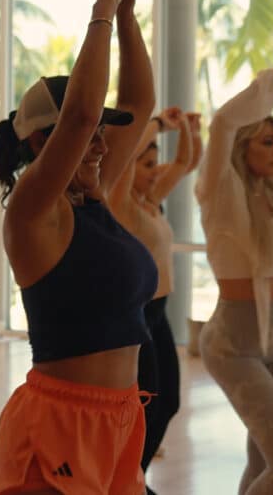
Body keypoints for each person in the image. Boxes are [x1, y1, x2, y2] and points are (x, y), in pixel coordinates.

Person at [0, 0, 157, 494]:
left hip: (121, 418)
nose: (103, 144)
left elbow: (138, 103)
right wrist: (101, 13)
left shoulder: (93, 196)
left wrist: (128, 18)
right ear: (43, 142)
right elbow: (82, 116)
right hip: (59, 422)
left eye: (106, 133)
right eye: (90, 135)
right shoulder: (34, 211)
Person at [197, 53, 273, 494]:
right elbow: (221, 123)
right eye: (266, 142)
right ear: (244, 146)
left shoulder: (271, 189)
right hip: (233, 343)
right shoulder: (221, 189)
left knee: (265, 459)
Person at [108, 106, 202, 493]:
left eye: (154, 164)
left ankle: (134, 477)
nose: (155, 170)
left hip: (158, 312)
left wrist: (189, 129)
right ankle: (129, 482)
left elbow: (186, 159)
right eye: (148, 165)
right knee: (147, 408)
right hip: (138, 315)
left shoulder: (151, 199)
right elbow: (127, 155)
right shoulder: (121, 205)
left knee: (170, 404)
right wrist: (158, 124)